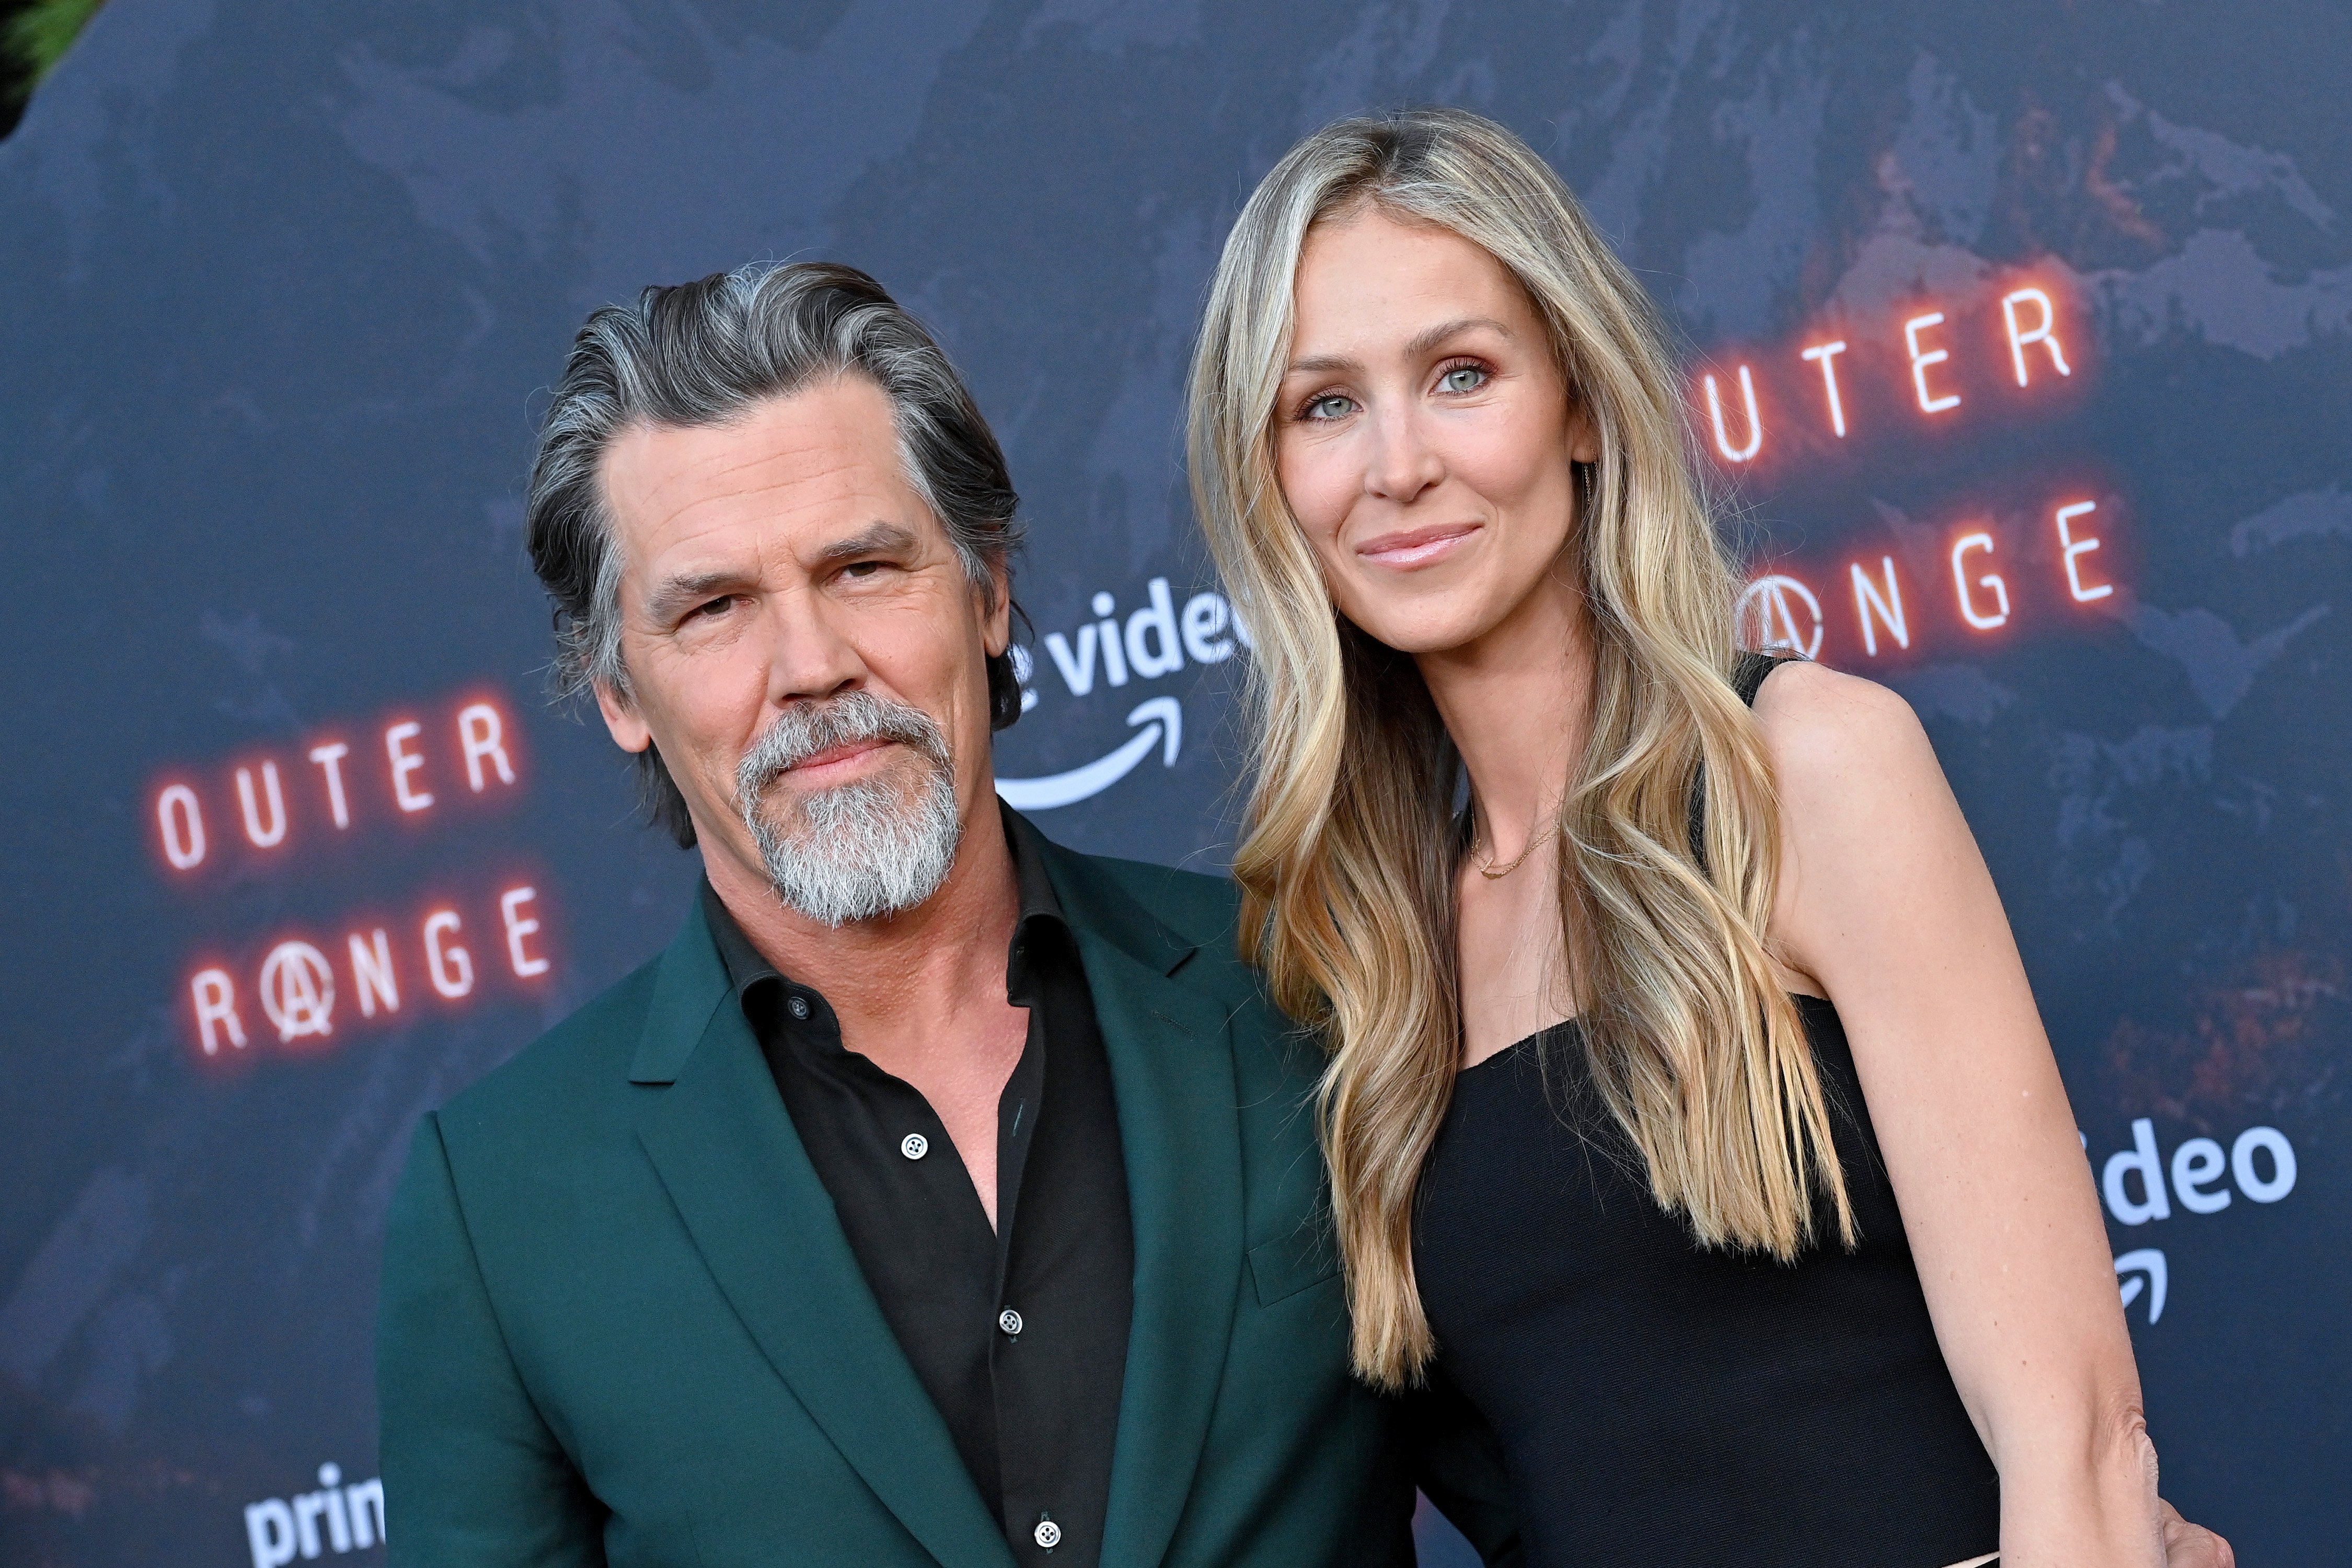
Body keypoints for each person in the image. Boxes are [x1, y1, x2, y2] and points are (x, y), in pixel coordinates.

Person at [1186, 108, 2235, 1568]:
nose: (1397, 464)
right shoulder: (1363, 950)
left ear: (1584, 405)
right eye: (1323, 406)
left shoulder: (1803, 772)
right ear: (1269, 477)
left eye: (1461, 375)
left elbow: (2074, 1439)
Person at [375, 262, 1516, 1567]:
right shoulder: (503, 1201)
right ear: (620, 691)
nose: (811, 667)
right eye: (713, 609)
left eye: (863, 568)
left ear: (986, 592)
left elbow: (1584, 1491)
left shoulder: (1309, 993)